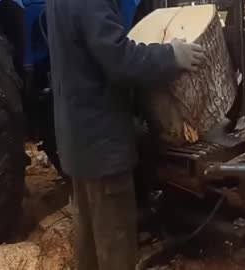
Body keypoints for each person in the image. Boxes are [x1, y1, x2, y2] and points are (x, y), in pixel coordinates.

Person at [45, 0, 205, 269]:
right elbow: (120, 60)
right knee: (115, 244)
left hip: (78, 138)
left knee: (90, 242)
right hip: (102, 144)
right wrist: (171, 56)